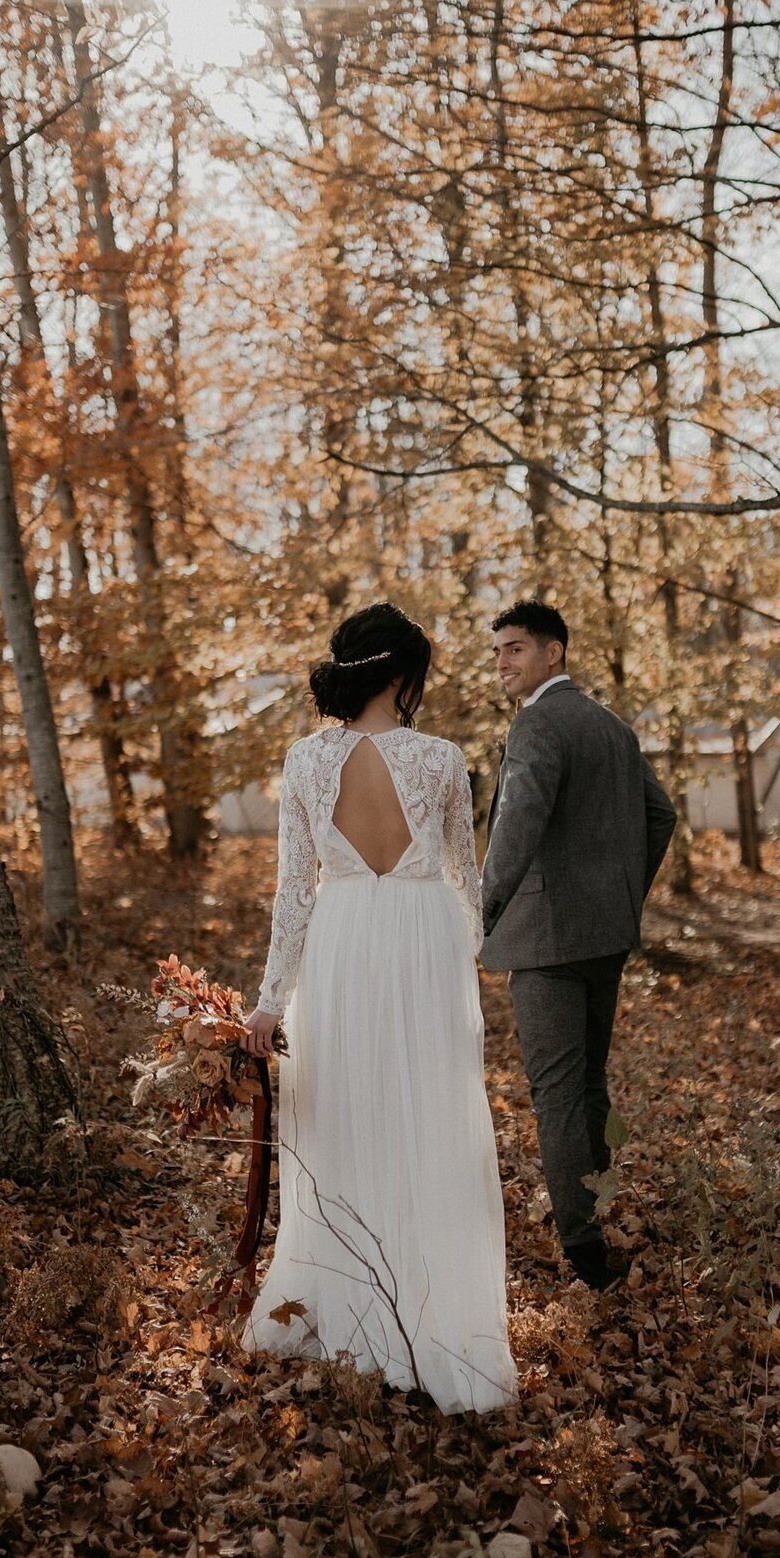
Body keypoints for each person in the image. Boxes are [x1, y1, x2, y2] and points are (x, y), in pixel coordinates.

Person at [242, 603, 516, 1414]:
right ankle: (429, 1312)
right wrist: (451, 953)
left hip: (341, 941)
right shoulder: (442, 760)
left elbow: (293, 893)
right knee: (427, 1121)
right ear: (402, 674)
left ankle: (345, 1307)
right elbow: (469, 887)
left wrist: (268, 1002)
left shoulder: (304, 761)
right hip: (422, 946)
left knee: (346, 1117)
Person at [481, 600, 676, 1291]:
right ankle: (599, 1212)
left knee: (559, 1093)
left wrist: (486, 911)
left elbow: (514, 829)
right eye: (499, 651)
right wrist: (623, 894)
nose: (503, 662)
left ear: (554, 652)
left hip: (547, 939)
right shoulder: (612, 727)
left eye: (516, 649)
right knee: (588, 1079)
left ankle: (584, 1254)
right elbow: (662, 814)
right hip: (605, 934)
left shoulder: (537, 723)